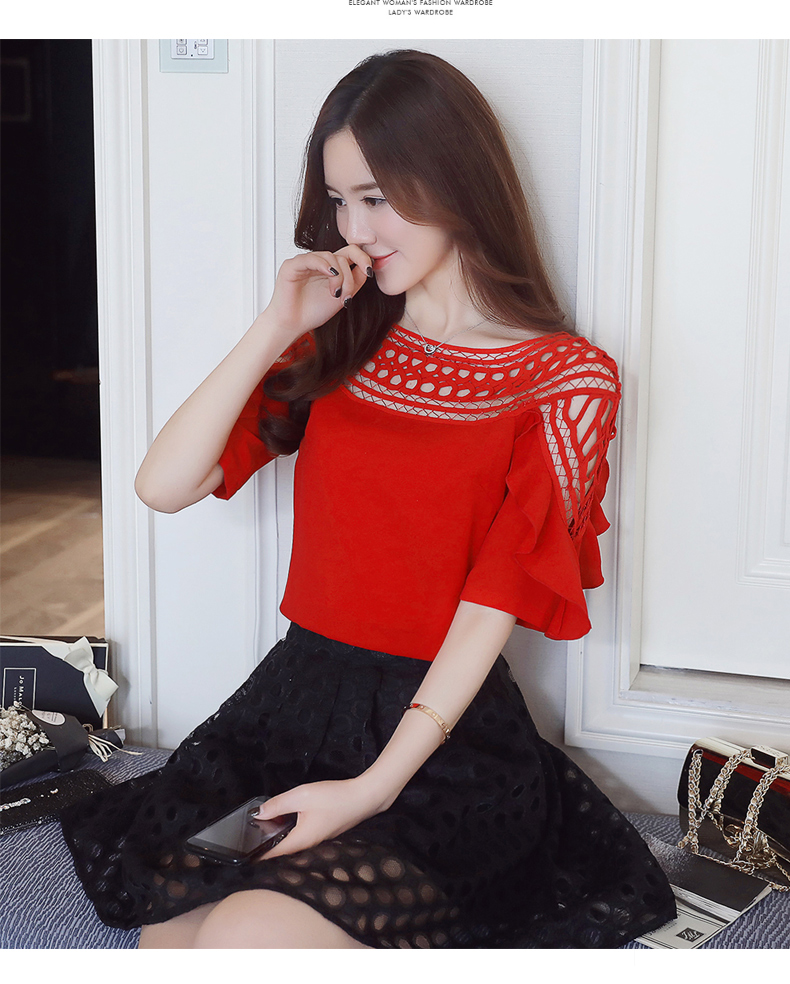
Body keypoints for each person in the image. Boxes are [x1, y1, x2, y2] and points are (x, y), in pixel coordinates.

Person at [61, 49, 676, 949]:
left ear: (455, 180)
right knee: (171, 938)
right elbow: (164, 486)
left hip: (438, 745)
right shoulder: (344, 336)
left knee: (247, 937)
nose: (354, 226)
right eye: (339, 200)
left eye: (377, 197)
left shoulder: (565, 379)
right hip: (291, 704)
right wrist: (277, 322)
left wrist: (371, 788)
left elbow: (494, 601)